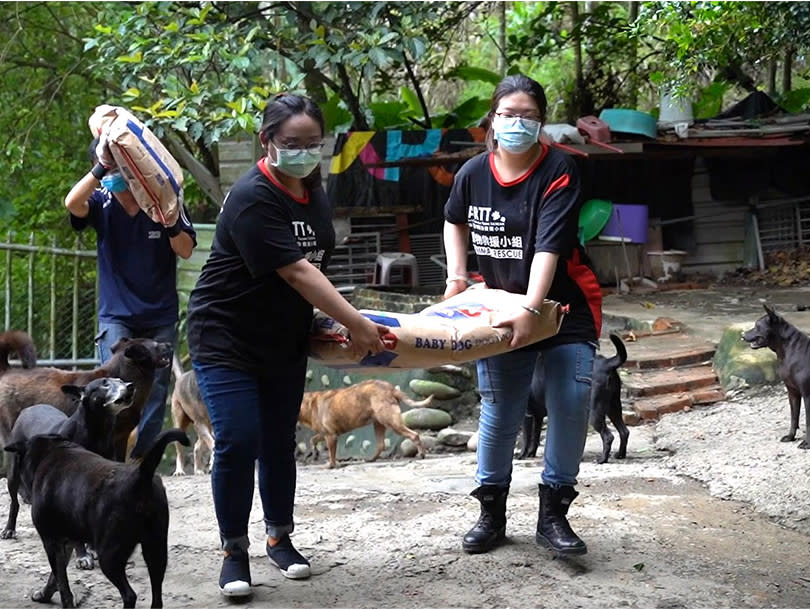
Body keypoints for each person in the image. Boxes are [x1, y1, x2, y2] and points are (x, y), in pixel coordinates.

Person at [186, 92, 389, 598]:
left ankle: (280, 538)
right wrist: (358, 324)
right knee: (238, 437)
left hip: (283, 337)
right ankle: (234, 551)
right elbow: (297, 270)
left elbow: (316, 263)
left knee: (279, 439)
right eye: (291, 143)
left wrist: (329, 322)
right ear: (267, 142)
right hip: (225, 335)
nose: (303, 152)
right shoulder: (253, 194)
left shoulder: (314, 191)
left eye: (312, 144)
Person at [443, 74, 602, 556]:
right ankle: (490, 513)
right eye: (509, 114)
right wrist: (456, 277)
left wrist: (532, 308)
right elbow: (453, 220)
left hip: (562, 307)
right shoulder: (473, 172)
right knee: (500, 411)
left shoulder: (559, 168)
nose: (517, 123)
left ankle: (553, 516)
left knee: (571, 404)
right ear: (492, 119)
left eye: (529, 116)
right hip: (496, 307)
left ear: (542, 122)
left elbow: (548, 246)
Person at [64, 136, 197, 460]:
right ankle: (105, 459)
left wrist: (167, 221)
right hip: (116, 315)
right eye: (106, 165)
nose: (114, 172)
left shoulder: (164, 202)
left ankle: (141, 459)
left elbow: (186, 249)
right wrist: (102, 166)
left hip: (159, 313)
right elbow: (72, 203)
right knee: (109, 386)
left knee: (155, 391)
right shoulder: (100, 202)